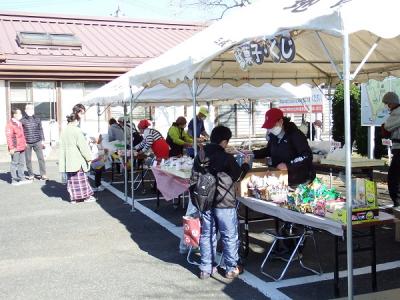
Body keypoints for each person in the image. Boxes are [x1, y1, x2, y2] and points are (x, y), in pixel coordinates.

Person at [191, 125, 250, 280]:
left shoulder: (200, 155)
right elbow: (238, 177)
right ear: (224, 141)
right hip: (224, 202)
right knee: (229, 235)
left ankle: (205, 267)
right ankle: (231, 268)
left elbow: (194, 177)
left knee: (207, 234)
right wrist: (245, 164)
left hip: (205, 201)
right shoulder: (226, 157)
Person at [254, 108, 316, 187]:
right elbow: (268, 150)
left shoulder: (295, 135)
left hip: (299, 179)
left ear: (281, 122)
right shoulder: (274, 136)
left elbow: (307, 155)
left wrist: (288, 166)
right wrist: (253, 154)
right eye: (269, 127)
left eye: (272, 125)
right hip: (281, 178)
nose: (270, 129)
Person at [59, 108, 95, 203]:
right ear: (76, 120)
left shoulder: (64, 131)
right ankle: (86, 197)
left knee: (72, 181)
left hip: (68, 159)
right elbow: (83, 147)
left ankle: (74, 198)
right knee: (81, 179)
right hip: (77, 159)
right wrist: (89, 158)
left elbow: (61, 147)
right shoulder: (77, 131)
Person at [381, 92, 400, 209]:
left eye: (388, 103)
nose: (388, 106)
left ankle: (397, 201)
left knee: (394, 177)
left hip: (399, 149)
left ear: (393, 103)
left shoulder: (397, 113)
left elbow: (387, 126)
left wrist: (383, 126)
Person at [21, 104, 47, 180]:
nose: (30, 110)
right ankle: (31, 174)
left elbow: (40, 130)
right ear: (25, 110)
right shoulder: (22, 120)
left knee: (41, 158)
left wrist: (43, 140)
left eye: (31, 108)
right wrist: (23, 142)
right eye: (28, 108)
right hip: (27, 143)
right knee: (28, 159)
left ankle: (43, 174)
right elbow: (21, 133)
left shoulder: (37, 119)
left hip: (37, 141)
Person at [5, 108, 32, 185]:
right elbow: (9, 137)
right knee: (14, 163)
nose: (21, 115)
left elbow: (22, 135)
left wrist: (25, 143)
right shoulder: (10, 125)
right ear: (14, 114)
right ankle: (13, 179)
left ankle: (22, 178)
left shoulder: (19, 123)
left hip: (22, 146)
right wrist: (11, 148)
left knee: (21, 163)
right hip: (15, 148)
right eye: (19, 113)